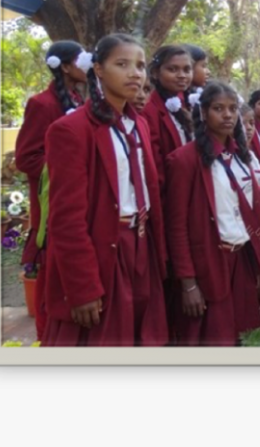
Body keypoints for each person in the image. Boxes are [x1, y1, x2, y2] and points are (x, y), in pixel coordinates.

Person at [43, 33, 168, 346]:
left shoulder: (138, 124)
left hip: (142, 246)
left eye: (140, 65)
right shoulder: (71, 130)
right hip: (105, 248)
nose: (134, 73)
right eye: (122, 64)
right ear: (98, 69)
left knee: (142, 339)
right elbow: (66, 219)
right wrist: (81, 286)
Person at [164, 81, 260, 346]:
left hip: (241, 259)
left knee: (245, 338)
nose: (227, 115)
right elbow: (176, 226)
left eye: (232, 109)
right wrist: (188, 283)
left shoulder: (242, 157)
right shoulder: (185, 160)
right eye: (218, 109)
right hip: (209, 264)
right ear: (203, 112)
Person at [15, 40, 91, 341]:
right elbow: (26, 158)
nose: (88, 66)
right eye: (82, 60)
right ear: (67, 67)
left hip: (80, 197)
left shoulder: (78, 99)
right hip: (52, 203)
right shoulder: (42, 104)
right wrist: (68, 165)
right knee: (51, 277)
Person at [141, 45, 194, 194]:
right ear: (156, 73)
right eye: (173, 69)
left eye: (187, 70)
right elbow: (154, 163)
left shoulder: (187, 105)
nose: (182, 75)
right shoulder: (149, 111)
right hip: (171, 190)